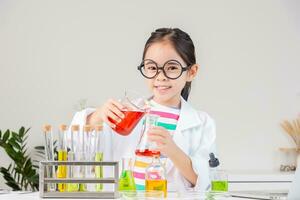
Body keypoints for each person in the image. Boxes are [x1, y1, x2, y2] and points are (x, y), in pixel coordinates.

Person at [70, 28, 216, 192]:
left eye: (172, 68)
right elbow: (78, 146)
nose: (161, 77)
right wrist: (96, 116)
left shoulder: (201, 123)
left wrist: (172, 150)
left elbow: (204, 180)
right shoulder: (128, 111)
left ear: (191, 72)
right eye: (152, 68)